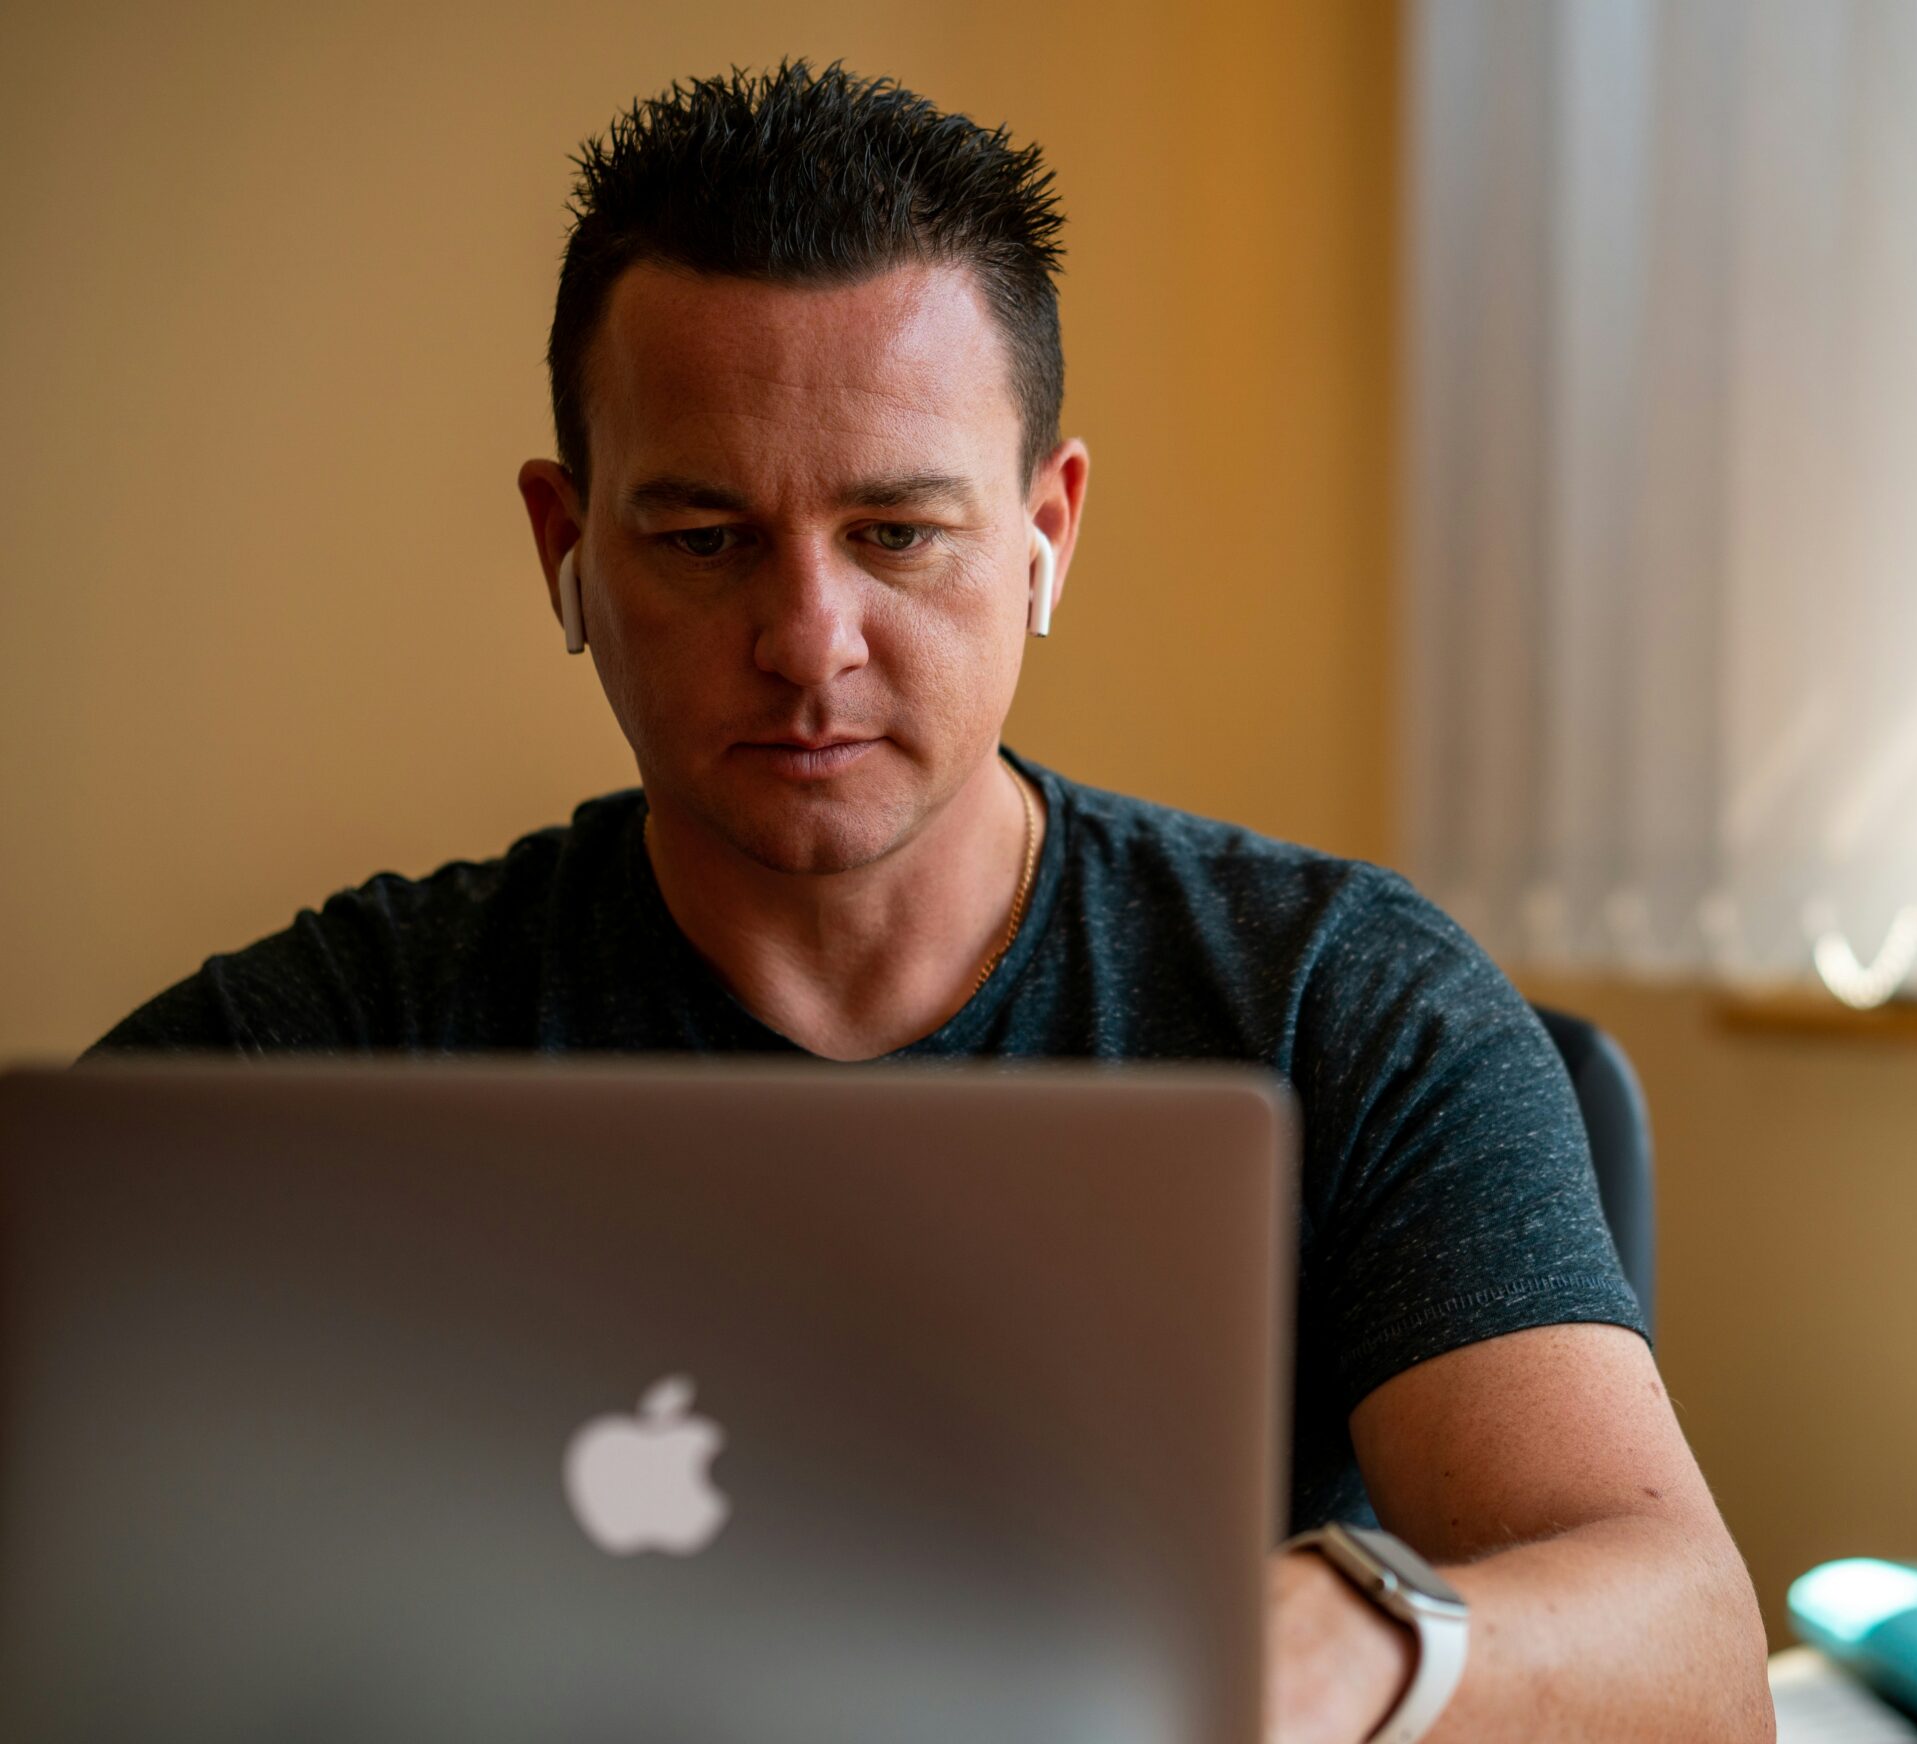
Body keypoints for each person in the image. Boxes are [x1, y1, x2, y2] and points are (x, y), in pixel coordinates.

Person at [92, 62, 1773, 1744]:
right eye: (701, 539)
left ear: (1046, 534)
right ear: (568, 547)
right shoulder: (335, 1045)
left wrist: (1368, 1639)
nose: (809, 639)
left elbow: (1694, 1658)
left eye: (897, 533)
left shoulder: (1344, 1002)